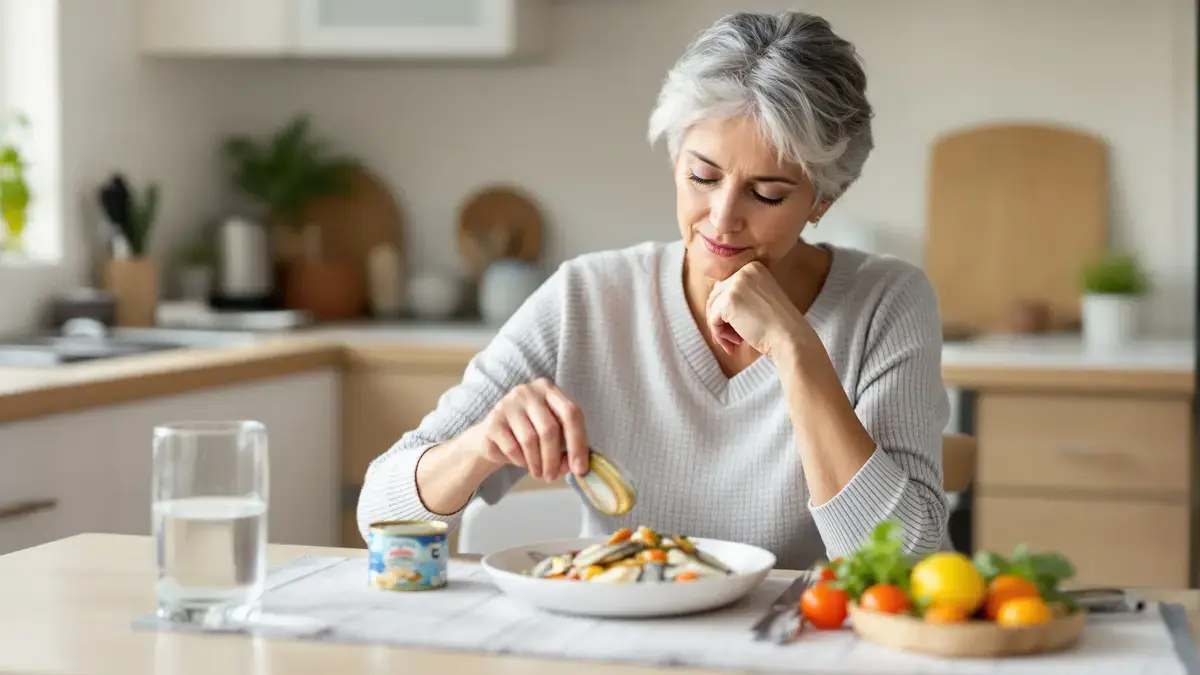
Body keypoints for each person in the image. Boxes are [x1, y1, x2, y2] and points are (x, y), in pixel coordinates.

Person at [357, 10, 951, 570]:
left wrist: (797, 351)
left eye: (766, 193)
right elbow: (377, 514)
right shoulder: (587, 297)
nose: (721, 218)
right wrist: (479, 447)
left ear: (823, 198)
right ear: (675, 158)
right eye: (702, 176)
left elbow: (910, 566)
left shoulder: (885, 301)